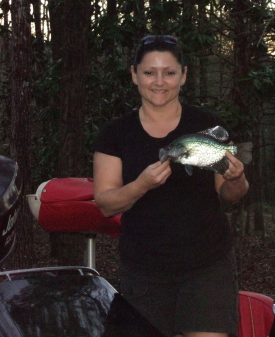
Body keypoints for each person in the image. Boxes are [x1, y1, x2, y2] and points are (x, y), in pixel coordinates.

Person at [92, 35, 249, 337]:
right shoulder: (115, 133)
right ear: (134, 75)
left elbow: (231, 195)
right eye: (150, 72)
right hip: (143, 269)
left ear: (184, 75)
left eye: (170, 72)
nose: (159, 81)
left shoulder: (207, 124)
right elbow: (106, 202)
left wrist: (236, 179)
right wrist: (141, 185)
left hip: (207, 264)